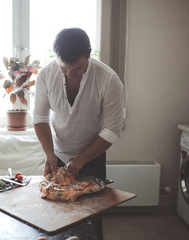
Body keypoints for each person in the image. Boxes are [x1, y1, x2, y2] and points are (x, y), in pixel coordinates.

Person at [33, 28, 124, 239]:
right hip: (57, 153)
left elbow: (112, 130)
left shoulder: (109, 80)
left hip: (92, 156)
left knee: (91, 219)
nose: (70, 74)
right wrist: (49, 154)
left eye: (78, 68)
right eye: (64, 68)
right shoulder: (46, 75)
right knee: (55, 217)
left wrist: (81, 160)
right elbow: (40, 118)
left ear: (89, 54)